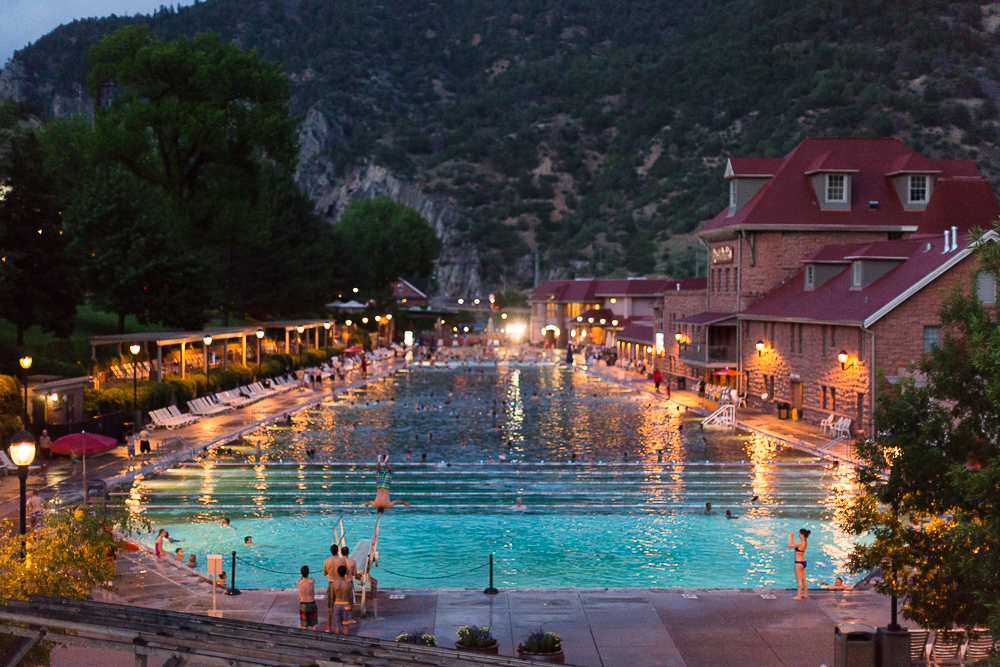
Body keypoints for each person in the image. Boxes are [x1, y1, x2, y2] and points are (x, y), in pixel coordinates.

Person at [330, 565, 354, 634]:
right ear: (345, 573)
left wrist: (332, 607)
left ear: (337, 573)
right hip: (346, 604)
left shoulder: (333, 584)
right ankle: (346, 643)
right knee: (346, 626)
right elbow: (351, 598)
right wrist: (351, 607)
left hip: (337, 604)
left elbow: (332, 597)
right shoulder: (349, 584)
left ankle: (337, 643)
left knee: (337, 626)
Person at [788, 528, 811, 600]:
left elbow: (789, 545)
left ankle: (798, 596)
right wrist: (793, 537)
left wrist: (789, 537)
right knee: (804, 579)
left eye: (799, 533)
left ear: (802, 534)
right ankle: (805, 594)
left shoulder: (800, 543)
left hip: (798, 563)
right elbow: (794, 545)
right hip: (803, 562)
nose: (798, 534)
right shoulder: (804, 543)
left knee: (799, 580)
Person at [298, 565, 318, 630]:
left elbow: (301, 580)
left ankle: (304, 638)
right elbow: (311, 579)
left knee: (303, 625)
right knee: (313, 625)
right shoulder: (312, 581)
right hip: (311, 603)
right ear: (308, 572)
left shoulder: (299, 583)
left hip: (303, 604)